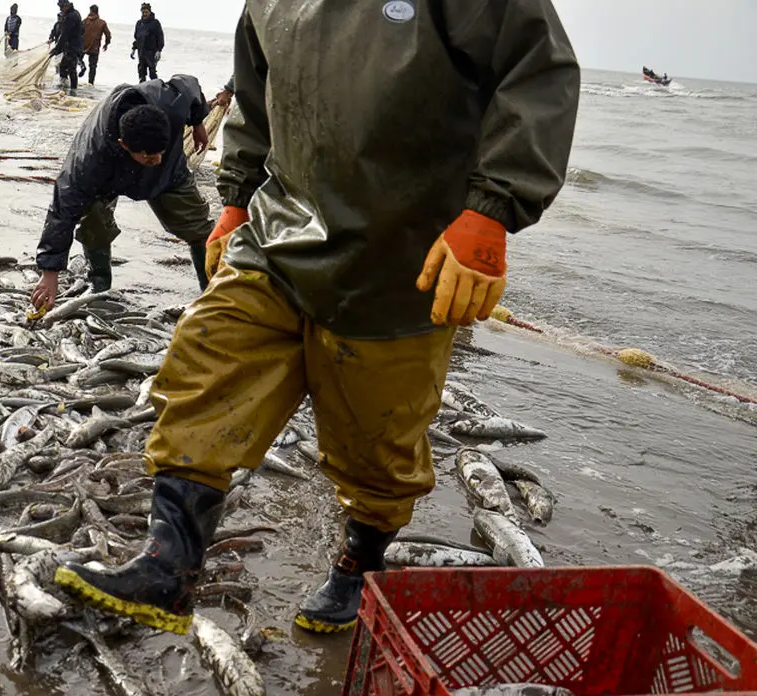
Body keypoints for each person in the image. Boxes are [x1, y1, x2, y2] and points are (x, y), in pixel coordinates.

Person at [54, 0, 580, 636]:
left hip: (400, 258)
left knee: (377, 443)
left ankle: (359, 565)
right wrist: (235, 200)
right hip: (276, 237)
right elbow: (255, 97)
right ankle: (170, 567)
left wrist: (492, 210)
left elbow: (538, 73)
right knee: (204, 361)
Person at [29, 75, 212, 302]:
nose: (155, 159)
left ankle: (213, 289)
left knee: (198, 227)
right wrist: (49, 272)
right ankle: (99, 285)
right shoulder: (89, 158)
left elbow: (190, 84)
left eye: (159, 152)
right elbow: (62, 209)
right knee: (94, 223)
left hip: (170, 172)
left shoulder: (173, 103)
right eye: (148, 156)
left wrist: (198, 123)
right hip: (109, 175)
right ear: (124, 145)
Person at [51, 1, 83, 95]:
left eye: (61, 7)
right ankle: (65, 89)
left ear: (66, 6)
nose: (60, 9)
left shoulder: (71, 16)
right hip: (73, 46)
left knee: (71, 69)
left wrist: (57, 49)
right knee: (63, 67)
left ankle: (73, 92)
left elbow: (65, 34)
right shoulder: (74, 13)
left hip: (73, 48)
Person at [131, 2, 162, 82]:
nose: (144, 14)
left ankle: (157, 89)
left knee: (152, 72)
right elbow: (137, 38)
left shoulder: (155, 23)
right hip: (141, 52)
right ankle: (142, 90)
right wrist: (133, 49)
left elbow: (160, 37)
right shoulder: (139, 23)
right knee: (141, 73)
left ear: (150, 12)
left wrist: (159, 50)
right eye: (143, 12)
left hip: (152, 52)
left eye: (146, 12)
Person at [82, 4, 110, 86]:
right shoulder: (102, 23)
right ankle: (90, 83)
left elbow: (78, 32)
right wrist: (106, 44)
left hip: (83, 46)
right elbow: (108, 35)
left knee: (77, 60)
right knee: (93, 66)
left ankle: (82, 68)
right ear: (97, 12)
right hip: (94, 48)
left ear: (90, 11)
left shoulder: (84, 21)